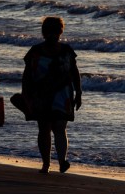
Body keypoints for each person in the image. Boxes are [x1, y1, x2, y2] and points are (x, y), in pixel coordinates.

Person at [21, 16, 82, 173]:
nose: (52, 35)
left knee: (60, 127)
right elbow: (26, 76)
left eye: (55, 32)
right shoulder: (35, 52)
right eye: (49, 32)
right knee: (44, 128)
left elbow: (75, 73)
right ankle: (46, 164)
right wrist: (25, 95)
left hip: (63, 95)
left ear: (60, 32)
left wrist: (79, 93)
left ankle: (62, 161)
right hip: (40, 95)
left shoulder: (67, 51)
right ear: (43, 33)